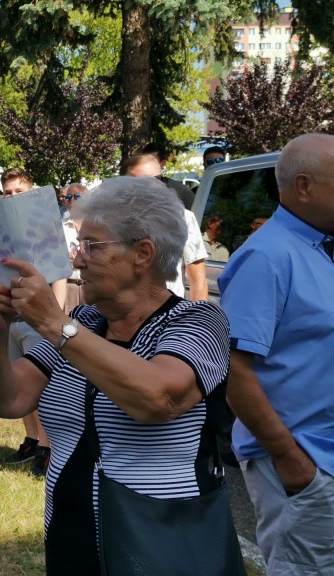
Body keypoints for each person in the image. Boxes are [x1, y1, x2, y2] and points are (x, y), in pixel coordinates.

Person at [0, 176, 231, 574]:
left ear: (142, 254)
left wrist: (53, 324)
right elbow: (8, 400)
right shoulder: (85, 321)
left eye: (91, 247)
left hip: (162, 547)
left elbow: (159, 398)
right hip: (69, 538)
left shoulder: (197, 320)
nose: (77, 260)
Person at [219, 133, 334, 575]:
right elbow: (234, 372)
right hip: (302, 465)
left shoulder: (316, 248)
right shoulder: (267, 257)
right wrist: (292, 463)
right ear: (303, 186)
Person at [0, 167, 67, 477]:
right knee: (18, 384)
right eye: (8, 192)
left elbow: (59, 278)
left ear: (31, 190)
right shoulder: (1, 227)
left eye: (18, 191)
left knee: (42, 387)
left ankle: (47, 447)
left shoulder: (46, 224)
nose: (13, 197)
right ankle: (31, 439)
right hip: (11, 315)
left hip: (38, 319)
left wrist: (55, 317)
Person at [120, 154, 208, 301]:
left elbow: (198, 281)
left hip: (167, 316)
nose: (151, 186)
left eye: (157, 179)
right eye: (141, 182)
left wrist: (198, 321)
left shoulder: (183, 218)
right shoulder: (108, 220)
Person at [141, 142, 195, 209]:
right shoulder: (131, 187)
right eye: (144, 161)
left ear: (163, 163)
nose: (147, 166)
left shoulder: (180, 191)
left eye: (152, 162)